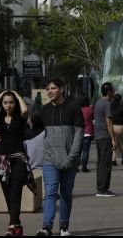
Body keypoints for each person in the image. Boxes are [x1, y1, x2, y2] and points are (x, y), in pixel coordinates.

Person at [30, 77, 84, 237]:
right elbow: (33, 130)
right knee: (51, 192)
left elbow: (79, 134)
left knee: (66, 194)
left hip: (69, 160)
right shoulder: (44, 110)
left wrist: (72, 157)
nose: (49, 91)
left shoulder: (73, 107)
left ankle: (64, 226)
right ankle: (46, 227)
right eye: (47, 89)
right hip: (49, 160)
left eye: (53, 88)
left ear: (62, 88)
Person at [0, 90, 30, 236]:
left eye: (11, 102)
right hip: (2, 160)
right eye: (5, 103)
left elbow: (25, 110)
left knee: (16, 191)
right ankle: (17, 225)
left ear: (15, 103)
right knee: (8, 193)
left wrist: (17, 95)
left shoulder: (20, 117)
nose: (8, 105)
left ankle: (11, 225)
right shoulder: (0, 117)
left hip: (18, 159)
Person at [94, 82, 117, 197]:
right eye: (112, 90)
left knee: (100, 163)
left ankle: (101, 187)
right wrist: (113, 138)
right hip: (105, 137)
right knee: (106, 163)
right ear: (108, 92)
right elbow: (109, 122)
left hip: (98, 136)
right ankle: (103, 190)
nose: (113, 92)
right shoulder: (107, 104)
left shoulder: (98, 102)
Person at [110, 94, 123, 166]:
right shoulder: (122, 107)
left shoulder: (111, 107)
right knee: (122, 144)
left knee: (114, 143)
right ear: (120, 99)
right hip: (121, 127)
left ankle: (113, 159)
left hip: (113, 127)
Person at [79, 96, 94, 172]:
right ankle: (84, 167)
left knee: (78, 151)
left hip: (79, 132)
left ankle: (75, 167)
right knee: (85, 151)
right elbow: (93, 118)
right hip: (88, 132)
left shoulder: (78, 110)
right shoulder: (90, 110)